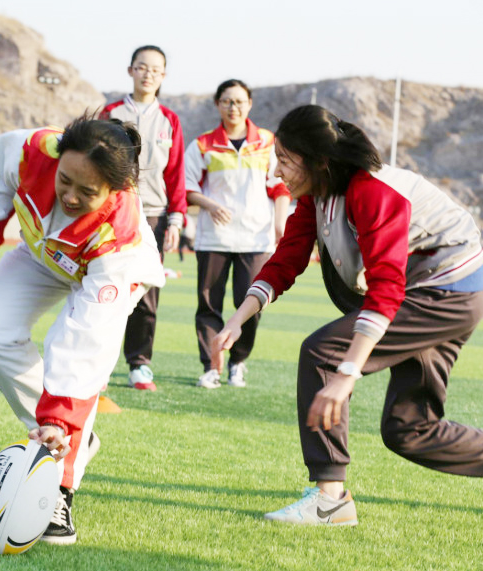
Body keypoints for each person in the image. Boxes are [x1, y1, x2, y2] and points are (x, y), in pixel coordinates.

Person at [213, 104, 483, 525]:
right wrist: (238, 317)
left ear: (319, 160)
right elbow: (287, 259)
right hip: (433, 291)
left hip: (445, 291)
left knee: (321, 353)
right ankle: (331, 497)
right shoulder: (318, 193)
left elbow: (387, 287)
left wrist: (346, 373)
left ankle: (330, 500)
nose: (275, 171)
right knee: (410, 430)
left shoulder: (373, 191)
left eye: (284, 160)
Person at [0, 115, 165, 544]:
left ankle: (60, 483)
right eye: (66, 180)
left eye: (88, 192)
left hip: (103, 272)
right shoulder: (30, 149)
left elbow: (84, 344)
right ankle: (73, 438)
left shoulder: (120, 235)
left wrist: (59, 418)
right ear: (58, 154)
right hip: (43, 255)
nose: (70, 196)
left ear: (115, 191)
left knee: (71, 362)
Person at [185, 79, 290, 389]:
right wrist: (209, 204)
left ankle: (238, 363)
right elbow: (187, 188)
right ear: (218, 104)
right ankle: (211, 366)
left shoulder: (268, 142)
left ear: (250, 104)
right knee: (208, 306)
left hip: (256, 239)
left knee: (252, 304)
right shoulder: (202, 144)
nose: (234, 107)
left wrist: (280, 224)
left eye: (240, 102)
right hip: (214, 238)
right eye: (227, 102)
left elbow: (281, 186)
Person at [100, 45, 187, 392]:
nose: (148, 73)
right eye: (142, 67)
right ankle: (99, 362)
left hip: (154, 217)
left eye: (155, 69)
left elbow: (177, 173)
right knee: (104, 287)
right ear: (130, 70)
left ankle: (139, 364)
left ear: (163, 76)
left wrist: (177, 218)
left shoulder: (170, 120)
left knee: (146, 293)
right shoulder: (110, 112)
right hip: (114, 214)